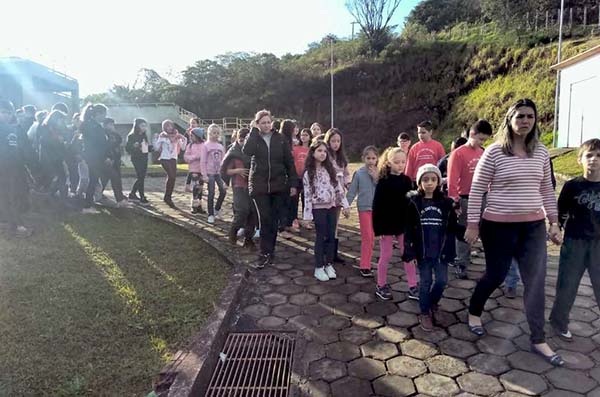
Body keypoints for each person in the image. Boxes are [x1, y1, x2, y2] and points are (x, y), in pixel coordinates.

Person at [464, 98, 564, 366]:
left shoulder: (541, 152)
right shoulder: (494, 152)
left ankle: (538, 339)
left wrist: (553, 222)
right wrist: (472, 225)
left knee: (535, 282)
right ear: (509, 120)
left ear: (535, 121)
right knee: (496, 275)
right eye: (519, 116)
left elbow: (546, 189)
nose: (525, 121)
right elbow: (476, 191)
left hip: (533, 227)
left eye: (530, 116)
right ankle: (474, 312)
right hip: (497, 226)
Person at [549, 138, 600, 342]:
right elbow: (560, 213)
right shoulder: (572, 186)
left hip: (598, 246)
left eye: (598, 156)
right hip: (574, 242)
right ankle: (558, 322)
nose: (594, 160)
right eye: (589, 155)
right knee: (567, 285)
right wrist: (556, 230)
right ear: (580, 160)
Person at [404, 164, 459, 331]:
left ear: (438, 182)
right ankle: (424, 312)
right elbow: (409, 229)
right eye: (425, 179)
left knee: (442, 281)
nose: (429, 183)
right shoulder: (414, 203)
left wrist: (468, 233)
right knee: (425, 282)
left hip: (440, 252)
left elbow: (452, 227)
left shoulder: (445, 203)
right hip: (423, 252)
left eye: (433, 179)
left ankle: (433, 303)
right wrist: (409, 251)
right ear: (420, 182)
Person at [243, 109, 297, 269]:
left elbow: (289, 161)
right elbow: (247, 151)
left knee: (273, 220)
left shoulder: (280, 139)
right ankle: (264, 252)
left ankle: (269, 251)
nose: (266, 125)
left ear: (272, 123)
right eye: (262, 122)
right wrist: (253, 130)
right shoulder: (253, 137)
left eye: (268, 122)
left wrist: (293, 183)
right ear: (257, 123)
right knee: (264, 219)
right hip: (259, 187)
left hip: (278, 186)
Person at [447, 120, 493, 279]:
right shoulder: (458, 153)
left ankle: (491, 266)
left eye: (485, 140)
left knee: (486, 231)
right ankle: (461, 263)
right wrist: (454, 201)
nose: (482, 143)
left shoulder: (483, 152)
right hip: (465, 198)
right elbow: (452, 180)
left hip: (483, 197)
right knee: (463, 232)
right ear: (472, 134)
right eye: (480, 139)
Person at [371, 147, 417, 300]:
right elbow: (377, 206)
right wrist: (378, 229)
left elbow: (412, 204)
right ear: (388, 163)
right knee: (386, 255)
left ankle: (413, 286)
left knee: (408, 255)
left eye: (403, 162)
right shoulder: (383, 182)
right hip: (387, 225)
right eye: (396, 162)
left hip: (403, 225)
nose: (400, 165)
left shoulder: (407, 180)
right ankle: (381, 284)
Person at [303, 140, 350, 281]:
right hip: (318, 210)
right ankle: (319, 267)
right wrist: (307, 217)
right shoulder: (308, 174)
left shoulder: (330, 170)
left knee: (331, 236)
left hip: (331, 207)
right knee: (321, 237)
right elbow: (307, 195)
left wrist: (345, 205)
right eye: (319, 151)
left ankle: (329, 264)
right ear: (312, 153)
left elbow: (338, 189)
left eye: (324, 151)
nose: (322, 154)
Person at [221, 128, 256, 250]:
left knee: (253, 213)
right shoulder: (233, 152)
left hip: (253, 186)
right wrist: (238, 170)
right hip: (239, 186)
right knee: (242, 211)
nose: (243, 143)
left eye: (245, 140)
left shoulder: (253, 151)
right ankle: (233, 231)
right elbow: (225, 169)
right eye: (241, 140)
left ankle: (248, 239)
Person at [0, 99, 31, 237]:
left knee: (12, 195)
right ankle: (14, 224)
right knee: (7, 196)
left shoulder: (14, 129)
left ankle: (14, 223)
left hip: (12, 168)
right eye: (2, 112)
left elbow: (19, 150)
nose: (4, 115)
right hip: (5, 168)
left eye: (7, 112)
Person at [346, 146, 379, 278]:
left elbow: (383, 190)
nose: (371, 161)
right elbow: (352, 191)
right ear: (363, 158)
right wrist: (346, 205)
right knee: (367, 237)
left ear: (377, 159)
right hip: (364, 209)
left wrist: (376, 177)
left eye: (373, 158)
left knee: (372, 239)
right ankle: (364, 266)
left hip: (377, 210)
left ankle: (368, 262)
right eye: (368, 158)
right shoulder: (359, 173)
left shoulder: (380, 172)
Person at [324, 128, 350, 265]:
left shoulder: (342, 158)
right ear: (328, 141)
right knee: (326, 223)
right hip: (326, 196)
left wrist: (348, 184)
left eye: (338, 141)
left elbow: (346, 174)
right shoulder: (325, 156)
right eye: (333, 141)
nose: (336, 144)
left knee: (335, 224)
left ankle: (333, 253)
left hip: (339, 196)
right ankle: (325, 251)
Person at [155, 120, 187, 208]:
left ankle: (167, 196)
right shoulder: (162, 136)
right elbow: (157, 148)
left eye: (170, 126)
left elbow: (183, 147)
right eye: (167, 126)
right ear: (164, 128)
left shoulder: (177, 135)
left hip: (173, 158)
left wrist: (184, 139)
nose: (169, 128)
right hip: (164, 158)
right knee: (171, 176)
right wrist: (157, 139)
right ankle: (167, 197)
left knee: (172, 178)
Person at [37, 110, 68, 199]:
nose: (62, 122)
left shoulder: (57, 128)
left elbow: (63, 140)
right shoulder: (45, 127)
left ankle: (57, 196)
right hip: (48, 157)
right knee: (54, 177)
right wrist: (57, 140)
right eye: (61, 119)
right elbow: (43, 141)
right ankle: (49, 195)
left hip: (57, 157)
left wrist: (62, 140)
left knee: (62, 177)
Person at [100, 117, 129, 207]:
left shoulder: (114, 134)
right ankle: (119, 199)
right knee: (113, 178)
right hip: (108, 159)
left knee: (112, 179)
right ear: (105, 125)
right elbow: (107, 146)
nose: (112, 126)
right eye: (110, 124)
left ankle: (99, 193)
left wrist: (114, 132)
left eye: (113, 124)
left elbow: (119, 140)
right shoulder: (103, 133)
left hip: (115, 159)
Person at [201, 124, 226, 224]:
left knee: (223, 191)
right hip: (209, 173)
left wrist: (224, 175)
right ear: (209, 133)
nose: (215, 135)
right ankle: (210, 214)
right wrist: (204, 175)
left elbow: (224, 161)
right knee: (211, 193)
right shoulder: (205, 146)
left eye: (217, 133)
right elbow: (203, 161)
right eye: (213, 133)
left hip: (218, 173)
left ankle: (217, 208)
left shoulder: (220, 146)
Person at [280, 119, 301, 232]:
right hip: (283, 177)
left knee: (290, 201)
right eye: (293, 128)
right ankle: (282, 227)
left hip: (290, 176)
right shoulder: (282, 140)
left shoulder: (288, 140)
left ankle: (288, 224)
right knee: (284, 203)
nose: (295, 130)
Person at [125, 118, 152, 204]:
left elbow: (146, 147)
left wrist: (151, 148)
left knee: (141, 177)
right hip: (136, 158)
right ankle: (142, 196)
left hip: (144, 157)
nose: (144, 128)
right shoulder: (131, 136)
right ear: (137, 126)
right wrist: (134, 146)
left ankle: (132, 194)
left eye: (145, 126)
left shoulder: (144, 136)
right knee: (140, 176)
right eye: (142, 126)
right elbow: (128, 148)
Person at [292, 128, 311, 230]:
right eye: (302, 135)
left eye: (306, 135)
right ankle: (294, 219)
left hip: (306, 178)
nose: (304, 137)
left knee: (306, 199)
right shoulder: (296, 148)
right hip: (296, 177)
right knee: (294, 199)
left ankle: (306, 219)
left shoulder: (311, 150)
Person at [183, 128, 205, 214]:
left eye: (192, 135)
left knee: (200, 188)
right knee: (196, 188)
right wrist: (195, 157)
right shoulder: (190, 146)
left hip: (202, 170)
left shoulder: (204, 145)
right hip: (194, 170)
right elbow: (186, 157)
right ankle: (194, 206)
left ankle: (199, 205)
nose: (190, 137)